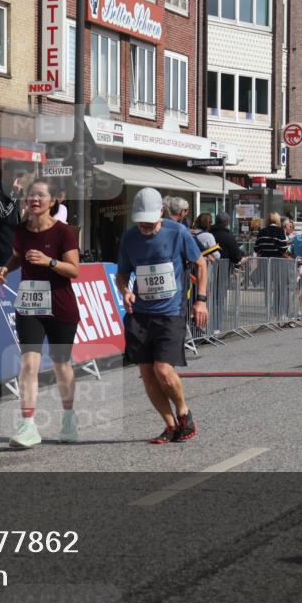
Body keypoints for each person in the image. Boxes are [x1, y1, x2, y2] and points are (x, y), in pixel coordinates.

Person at [116, 187, 208, 444]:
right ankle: (170, 426)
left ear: (161, 213)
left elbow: (200, 264)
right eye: (141, 223)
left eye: (150, 222)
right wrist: (125, 291)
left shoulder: (177, 232)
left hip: (171, 312)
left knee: (163, 370)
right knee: (146, 372)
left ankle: (183, 411)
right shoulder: (129, 238)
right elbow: (122, 274)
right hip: (140, 314)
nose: (146, 227)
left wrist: (201, 301)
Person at [0, 179, 80, 449]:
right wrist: (7, 268)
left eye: (41, 196)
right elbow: (20, 255)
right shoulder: (21, 230)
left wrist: (49, 262)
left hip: (60, 305)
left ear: (52, 201)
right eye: (31, 195)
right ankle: (28, 425)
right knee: (29, 364)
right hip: (30, 305)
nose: (34, 199)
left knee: (60, 365)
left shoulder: (64, 232)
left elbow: (74, 270)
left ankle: (68, 417)